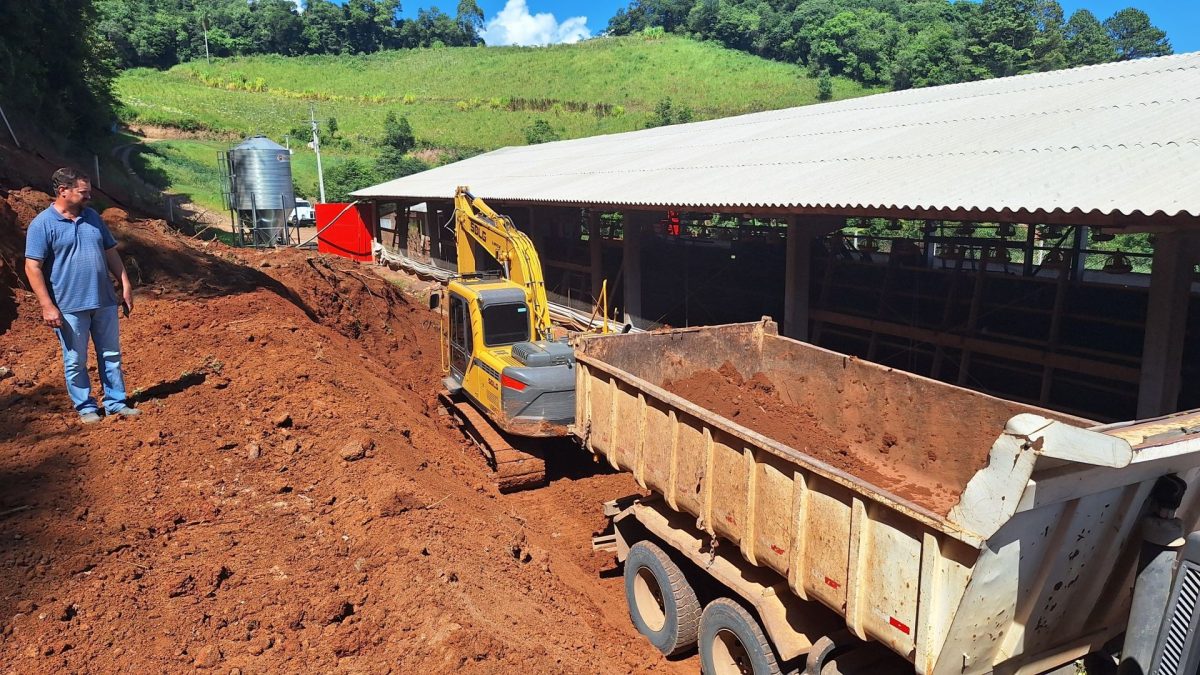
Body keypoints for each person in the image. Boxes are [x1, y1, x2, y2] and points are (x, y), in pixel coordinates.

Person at [24, 168, 140, 423]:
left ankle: (116, 402)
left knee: (111, 354)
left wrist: (125, 284)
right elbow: (32, 267)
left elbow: (110, 252)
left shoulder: (93, 218)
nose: (89, 197)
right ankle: (86, 407)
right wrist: (47, 305)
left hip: (104, 300)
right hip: (68, 305)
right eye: (83, 192)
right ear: (62, 191)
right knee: (76, 359)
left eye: (89, 192)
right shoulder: (42, 224)